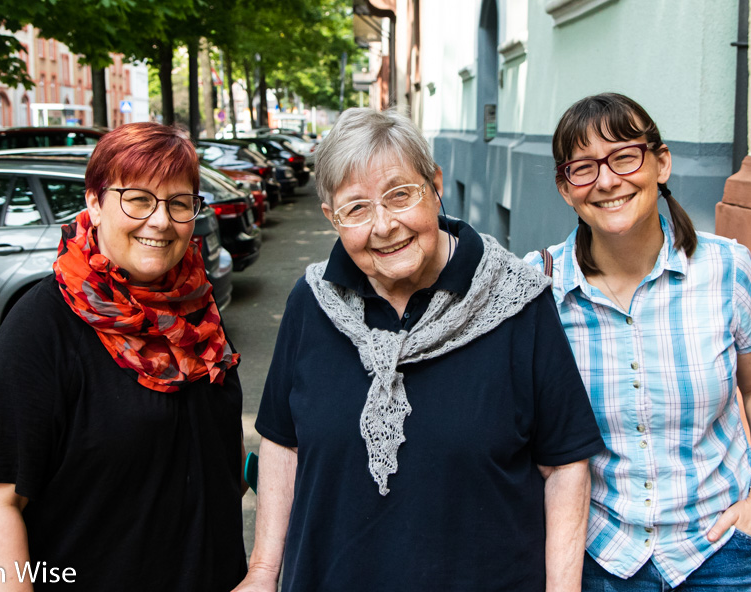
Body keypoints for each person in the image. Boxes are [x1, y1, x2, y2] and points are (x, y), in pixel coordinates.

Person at [234, 108, 605, 592]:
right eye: (357, 208)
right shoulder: (313, 301)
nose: (384, 225)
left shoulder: (517, 301)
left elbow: (564, 465)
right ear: (332, 218)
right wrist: (263, 570)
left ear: (435, 185)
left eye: (400, 195)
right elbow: (284, 444)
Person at [0, 123, 248, 591]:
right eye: (139, 199)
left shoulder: (196, 314)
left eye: (178, 203)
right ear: (94, 200)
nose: (161, 221)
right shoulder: (42, 327)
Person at [525, 93, 751, 590]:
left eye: (624, 156)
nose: (606, 180)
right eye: (582, 168)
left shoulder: (726, 270)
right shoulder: (538, 288)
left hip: (725, 551)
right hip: (602, 557)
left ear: (660, 163)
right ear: (566, 189)